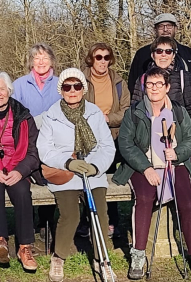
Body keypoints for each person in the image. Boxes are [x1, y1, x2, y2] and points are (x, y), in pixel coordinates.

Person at [112, 67, 191, 279]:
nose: (154, 88)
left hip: (174, 165)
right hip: (142, 167)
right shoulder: (135, 112)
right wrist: (146, 168)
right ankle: (138, 256)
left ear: (167, 87)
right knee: (145, 197)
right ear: (144, 87)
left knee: (187, 201)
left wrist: (177, 153)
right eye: (150, 84)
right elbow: (126, 144)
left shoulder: (178, 111)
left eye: (159, 84)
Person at [37, 68, 116, 282]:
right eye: (67, 87)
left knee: (100, 212)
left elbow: (107, 146)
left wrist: (95, 166)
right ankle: (58, 256)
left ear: (83, 89)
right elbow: (44, 149)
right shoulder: (51, 115)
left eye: (77, 86)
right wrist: (69, 162)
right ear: (61, 90)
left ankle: (102, 260)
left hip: (92, 173)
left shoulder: (94, 113)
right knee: (70, 214)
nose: (72, 91)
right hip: (65, 172)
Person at [130, 36, 191, 242]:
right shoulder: (143, 79)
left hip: (180, 141)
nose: (163, 55)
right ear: (153, 54)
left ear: (174, 55)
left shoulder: (185, 78)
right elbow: (136, 108)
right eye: (159, 51)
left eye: (168, 51)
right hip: (152, 144)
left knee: (187, 186)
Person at [0, 72, 41, 271]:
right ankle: (0, 241)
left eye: (1, 89)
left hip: (17, 165)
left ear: (9, 91)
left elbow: (33, 151)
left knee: (21, 192)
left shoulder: (23, 115)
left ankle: (24, 247)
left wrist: (20, 171)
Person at [77, 42, 130, 239]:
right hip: (86, 136)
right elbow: (73, 103)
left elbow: (126, 109)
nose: (102, 61)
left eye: (106, 57)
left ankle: (110, 221)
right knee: (87, 177)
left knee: (109, 176)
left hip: (112, 135)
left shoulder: (118, 82)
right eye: (98, 57)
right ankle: (86, 220)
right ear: (91, 58)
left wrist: (108, 118)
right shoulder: (80, 79)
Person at [12, 43, 62, 246]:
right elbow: (14, 115)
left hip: (54, 143)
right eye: (37, 58)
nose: (41, 62)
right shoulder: (20, 84)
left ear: (52, 61)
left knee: (50, 178)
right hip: (27, 143)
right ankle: (29, 222)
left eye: (45, 58)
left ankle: (47, 222)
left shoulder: (60, 84)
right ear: (31, 61)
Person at [128, 13, 191, 125]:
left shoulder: (188, 54)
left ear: (175, 28)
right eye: (161, 26)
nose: (165, 29)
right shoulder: (142, 54)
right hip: (150, 124)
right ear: (155, 29)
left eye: (169, 26)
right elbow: (134, 89)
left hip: (181, 126)